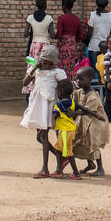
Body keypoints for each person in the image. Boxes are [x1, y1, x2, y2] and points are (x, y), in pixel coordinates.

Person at [21, 44, 67, 178]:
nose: (46, 65)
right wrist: (35, 67)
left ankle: (46, 168)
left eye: (48, 63)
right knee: (40, 137)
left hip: (49, 106)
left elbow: (65, 88)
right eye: (44, 62)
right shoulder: (36, 69)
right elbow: (25, 83)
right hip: (37, 105)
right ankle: (59, 156)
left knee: (45, 136)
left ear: (54, 62)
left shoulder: (58, 72)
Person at [72, 67, 110, 177]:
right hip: (83, 121)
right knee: (82, 142)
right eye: (77, 79)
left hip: (94, 122)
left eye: (81, 79)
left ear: (89, 79)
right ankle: (90, 164)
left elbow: (88, 111)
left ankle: (100, 168)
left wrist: (74, 114)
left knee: (93, 144)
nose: (78, 81)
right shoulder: (78, 92)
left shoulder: (92, 95)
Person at [51, 79, 81, 179]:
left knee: (68, 153)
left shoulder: (58, 105)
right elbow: (82, 109)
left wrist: (54, 127)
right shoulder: (72, 102)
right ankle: (59, 170)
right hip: (71, 130)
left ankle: (76, 173)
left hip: (64, 131)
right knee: (59, 150)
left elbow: (55, 116)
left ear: (59, 92)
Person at [55, 0, 82, 76]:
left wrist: (54, 35)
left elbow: (59, 35)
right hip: (73, 46)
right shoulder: (77, 19)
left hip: (63, 47)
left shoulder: (61, 18)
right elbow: (80, 36)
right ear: (72, 6)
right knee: (72, 68)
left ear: (63, 6)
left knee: (62, 69)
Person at [85, 0, 111, 70]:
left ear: (96, 4)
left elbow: (89, 33)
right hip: (106, 48)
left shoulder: (93, 15)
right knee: (105, 70)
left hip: (93, 47)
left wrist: (86, 43)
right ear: (106, 4)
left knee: (95, 71)